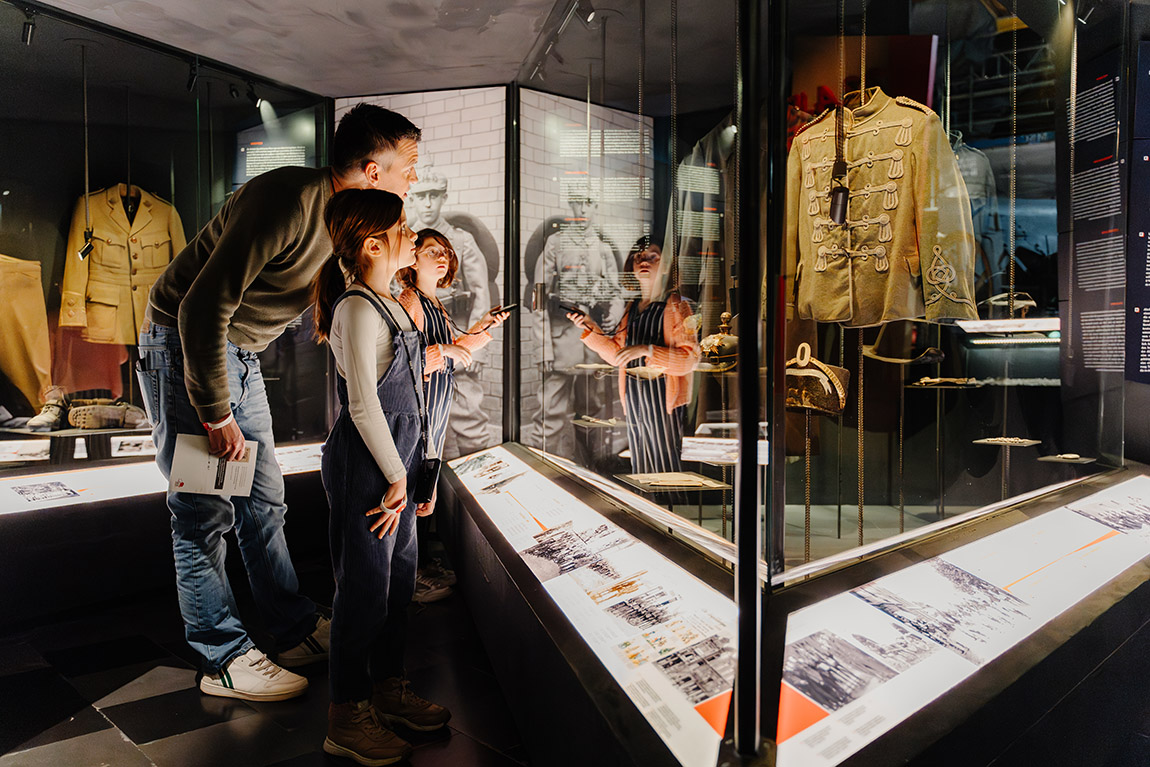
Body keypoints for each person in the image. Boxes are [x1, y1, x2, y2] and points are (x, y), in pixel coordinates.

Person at [137, 103, 421, 702]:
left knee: (264, 502)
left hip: (240, 354)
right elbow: (199, 307)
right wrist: (215, 411)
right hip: (188, 345)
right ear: (373, 171)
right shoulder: (287, 201)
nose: (413, 179)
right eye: (408, 166)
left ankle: (291, 628)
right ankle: (223, 655)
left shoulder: (344, 222)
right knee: (204, 512)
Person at [312, 188, 450, 766]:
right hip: (367, 466)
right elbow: (364, 404)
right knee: (363, 591)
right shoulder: (356, 307)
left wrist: (414, 474)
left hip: (397, 464)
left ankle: (388, 691)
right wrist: (397, 478)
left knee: (397, 584)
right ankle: (347, 714)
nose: (411, 238)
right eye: (402, 230)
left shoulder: (391, 300)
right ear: (374, 244)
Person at [396, 229, 509, 602]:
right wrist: (442, 350)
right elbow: (401, 363)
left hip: (436, 407)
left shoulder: (434, 302)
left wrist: (484, 329)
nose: (441, 256)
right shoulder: (411, 300)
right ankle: (409, 577)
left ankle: (420, 568)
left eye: (444, 251)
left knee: (423, 485)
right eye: (430, 251)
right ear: (413, 260)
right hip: (419, 408)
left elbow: (454, 350)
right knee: (413, 486)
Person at [567, 236, 699, 474]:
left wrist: (647, 350)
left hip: (663, 402)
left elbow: (690, 359)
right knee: (642, 464)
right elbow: (618, 354)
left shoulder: (676, 305)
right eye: (638, 257)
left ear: (667, 264)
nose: (643, 261)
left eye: (652, 256)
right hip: (636, 399)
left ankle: (668, 508)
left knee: (666, 467)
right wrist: (588, 325)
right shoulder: (633, 306)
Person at [406, 164, 494, 458]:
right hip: (421, 345)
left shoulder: (461, 239)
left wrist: (476, 352)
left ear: (443, 197)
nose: (428, 203)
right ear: (412, 200)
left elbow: (482, 292)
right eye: (421, 196)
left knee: (470, 420)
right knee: (423, 426)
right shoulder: (406, 241)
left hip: (459, 338)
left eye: (434, 195)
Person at [533, 192, 623, 459]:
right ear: (569, 205)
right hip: (560, 344)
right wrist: (543, 349)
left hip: (592, 345)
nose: (582, 208)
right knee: (549, 413)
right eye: (576, 202)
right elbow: (538, 299)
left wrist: (614, 314)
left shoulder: (603, 248)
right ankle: (540, 465)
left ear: (595, 205)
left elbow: (616, 292)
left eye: (588, 202)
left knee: (592, 414)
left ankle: (592, 468)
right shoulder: (554, 244)